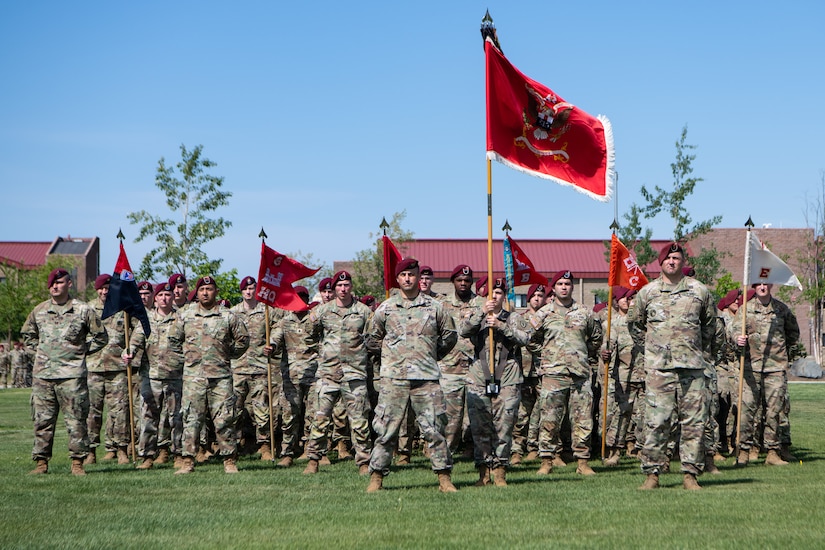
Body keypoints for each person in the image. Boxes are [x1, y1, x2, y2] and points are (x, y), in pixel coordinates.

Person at [365, 258, 459, 493]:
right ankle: (376, 478)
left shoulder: (435, 307)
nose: (408, 279)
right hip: (393, 379)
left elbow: (449, 336)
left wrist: (429, 356)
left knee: (435, 429)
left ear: (419, 278)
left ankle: (444, 478)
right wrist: (392, 357)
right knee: (386, 430)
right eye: (403, 275)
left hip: (426, 378)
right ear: (397, 279)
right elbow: (372, 339)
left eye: (412, 274)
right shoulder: (385, 308)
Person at [628, 243, 716, 490]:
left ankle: (690, 474)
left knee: (694, 422)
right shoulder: (648, 292)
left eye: (677, 258)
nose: (672, 262)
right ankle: (652, 474)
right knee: (657, 421)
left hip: (692, 367)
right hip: (659, 369)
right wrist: (654, 348)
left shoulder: (699, 291)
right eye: (668, 258)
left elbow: (710, 325)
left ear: (683, 261)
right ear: (660, 262)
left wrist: (693, 347)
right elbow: (635, 325)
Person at [21, 268, 108, 475]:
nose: (54, 286)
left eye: (59, 283)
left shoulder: (83, 310)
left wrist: (81, 352)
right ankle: (41, 463)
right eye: (52, 283)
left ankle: (77, 463)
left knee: (76, 421)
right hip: (44, 376)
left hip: (72, 376)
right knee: (42, 421)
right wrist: (43, 354)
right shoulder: (39, 311)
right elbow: (28, 336)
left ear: (69, 284)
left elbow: (101, 337)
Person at [171, 276, 249, 474]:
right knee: (191, 418)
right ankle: (188, 461)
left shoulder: (227, 316)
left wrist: (226, 355)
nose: (205, 292)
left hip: (220, 376)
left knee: (224, 419)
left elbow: (243, 340)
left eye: (210, 289)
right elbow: (173, 340)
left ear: (216, 292)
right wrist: (188, 358)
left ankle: (229, 460)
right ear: (196, 293)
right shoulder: (185, 315)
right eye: (202, 289)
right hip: (193, 377)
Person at [529, 270, 603, 476]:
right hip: (553, 374)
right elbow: (531, 340)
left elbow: (596, 338)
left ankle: (582, 462)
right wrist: (547, 355)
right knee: (550, 419)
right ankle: (546, 460)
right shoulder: (543, 313)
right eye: (560, 283)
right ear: (553, 288)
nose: (564, 287)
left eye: (568, 284)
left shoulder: (585, 312)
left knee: (583, 419)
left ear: (572, 287)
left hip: (579, 374)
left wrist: (582, 355)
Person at [461, 278, 531, 486]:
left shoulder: (514, 318)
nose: (495, 296)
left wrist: (502, 326)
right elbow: (463, 331)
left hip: (508, 375)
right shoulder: (476, 315)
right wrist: (482, 313)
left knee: (504, 425)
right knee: (480, 426)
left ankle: (500, 471)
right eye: (491, 292)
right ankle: (483, 473)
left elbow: (526, 339)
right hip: (479, 375)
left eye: (499, 293)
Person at [302, 270, 374, 475]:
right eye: (339, 286)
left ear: (351, 287)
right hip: (328, 374)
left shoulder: (363, 311)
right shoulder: (323, 311)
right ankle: (313, 460)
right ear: (334, 288)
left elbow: (373, 337)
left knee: (359, 420)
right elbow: (309, 334)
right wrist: (324, 351)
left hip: (354, 374)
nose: (343, 289)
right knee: (320, 418)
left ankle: (364, 462)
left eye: (346, 285)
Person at [733, 282, 800, 467]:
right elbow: (733, 330)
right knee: (746, 410)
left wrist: (782, 354)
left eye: (765, 283)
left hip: (775, 368)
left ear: (770, 285)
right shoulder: (745, 309)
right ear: (754, 286)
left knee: (774, 411)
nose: (762, 286)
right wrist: (737, 338)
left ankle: (772, 452)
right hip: (750, 368)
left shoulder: (781, 309)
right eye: (759, 284)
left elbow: (793, 333)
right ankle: (744, 452)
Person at [125, 281, 185, 469]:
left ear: (172, 297)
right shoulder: (146, 319)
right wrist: (129, 352)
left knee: (176, 418)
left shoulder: (181, 318)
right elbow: (135, 341)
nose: (164, 299)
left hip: (175, 376)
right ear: (156, 298)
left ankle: (178, 455)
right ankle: (147, 457)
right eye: (160, 295)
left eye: (168, 295)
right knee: (149, 417)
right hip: (151, 377)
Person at [231, 276, 282, 462]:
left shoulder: (266, 310)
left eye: (252, 288)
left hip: (260, 367)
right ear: (241, 291)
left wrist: (273, 343)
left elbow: (278, 327)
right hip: (237, 368)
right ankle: (234, 446)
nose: (249, 292)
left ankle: (265, 445)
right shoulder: (232, 313)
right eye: (246, 289)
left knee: (262, 409)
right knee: (234, 409)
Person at [86, 273, 134, 465]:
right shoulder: (87, 309)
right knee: (92, 412)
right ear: (96, 290)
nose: (105, 291)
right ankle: (90, 451)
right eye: (101, 288)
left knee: (120, 412)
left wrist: (131, 349)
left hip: (118, 368)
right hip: (93, 367)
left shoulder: (125, 308)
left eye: (108, 288)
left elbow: (138, 329)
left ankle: (121, 449)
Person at [439, 265, 485, 456]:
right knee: (452, 416)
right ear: (453, 282)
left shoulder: (482, 303)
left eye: (467, 281)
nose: (463, 284)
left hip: (477, 366)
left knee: (478, 414)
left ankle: (477, 453)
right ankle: (445, 455)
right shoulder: (442, 305)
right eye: (459, 280)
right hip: (450, 367)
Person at [271, 286, 319, 467]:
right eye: (296, 298)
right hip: (291, 376)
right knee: (289, 416)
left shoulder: (314, 319)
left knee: (313, 415)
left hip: (314, 375)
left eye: (303, 297)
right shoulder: (285, 321)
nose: (300, 301)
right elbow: (275, 338)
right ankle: (287, 452)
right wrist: (271, 346)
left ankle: (311, 450)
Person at [600, 287, 645, 466]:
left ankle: (643, 449)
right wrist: (605, 352)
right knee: (622, 414)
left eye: (633, 298)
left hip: (648, 376)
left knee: (646, 416)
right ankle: (615, 450)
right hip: (625, 376)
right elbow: (607, 344)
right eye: (627, 298)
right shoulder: (616, 323)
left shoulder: (646, 323)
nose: (630, 301)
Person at [511, 283, 545, 465]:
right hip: (523, 371)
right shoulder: (521, 319)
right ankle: (517, 449)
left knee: (540, 412)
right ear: (529, 299)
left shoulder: (548, 318)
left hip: (542, 371)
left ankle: (535, 448)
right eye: (534, 296)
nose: (537, 299)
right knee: (521, 414)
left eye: (541, 295)